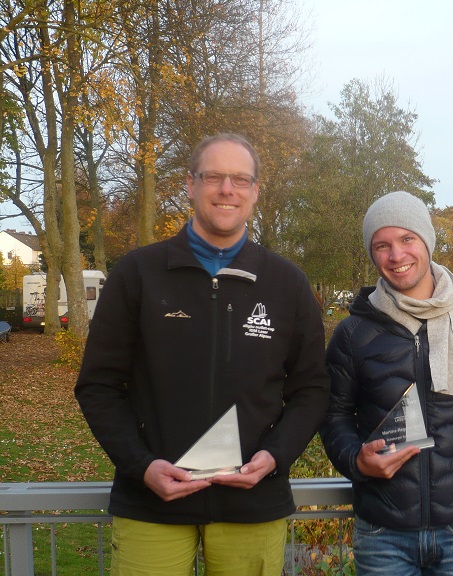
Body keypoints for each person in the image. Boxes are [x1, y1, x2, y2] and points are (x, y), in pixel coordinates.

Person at [75, 133, 330, 576]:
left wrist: (275, 457)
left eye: (240, 179)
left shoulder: (287, 283)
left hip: (253, 502)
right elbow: (98, 385)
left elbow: (312, 388)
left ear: (255, 191)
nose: (227, 189)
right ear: (190, 184)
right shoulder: (137, 274)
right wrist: (141, 466)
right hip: (152, 502)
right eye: (214, 176)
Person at [321, 191, 453, 576]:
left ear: (427, 241)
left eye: (407, 239)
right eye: (382, 245)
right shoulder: (352, 333)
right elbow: (334, 417)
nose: (396, 255)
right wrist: (356, 461)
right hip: (382, 532)